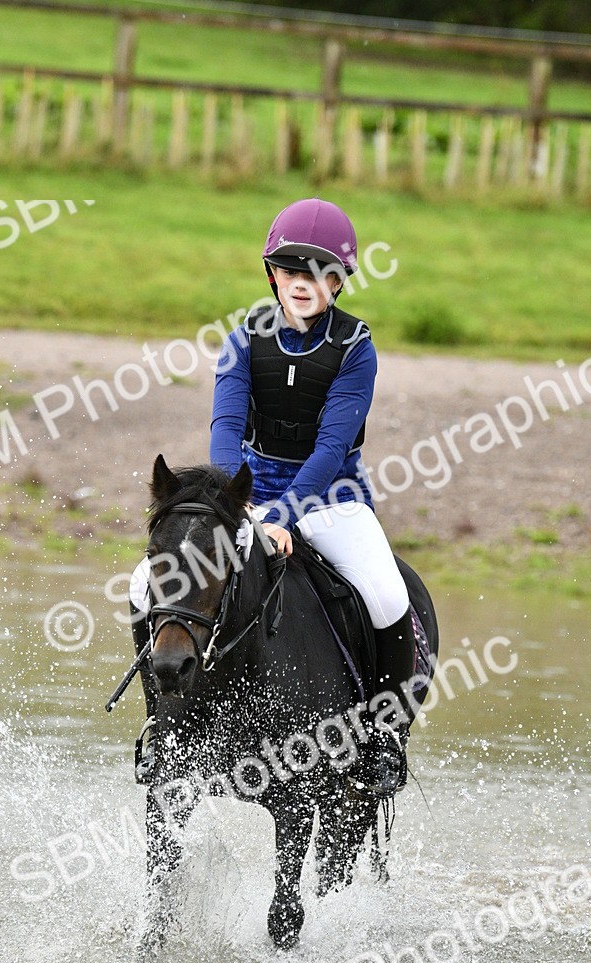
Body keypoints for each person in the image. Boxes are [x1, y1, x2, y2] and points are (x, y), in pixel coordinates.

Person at [210, 197, 416, 796]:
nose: (304, 283)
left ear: (340, 280)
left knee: (386, 596)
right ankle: (164, 726)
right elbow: (225, 428)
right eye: (292, 270)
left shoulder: (356, 347)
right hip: (248, 494)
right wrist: (234, 502)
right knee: (150, 583)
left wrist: (284, 516)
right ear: (272, 274)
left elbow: (330, 449)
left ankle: (383, 739)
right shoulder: (242, 340)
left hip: (334, 497)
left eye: (320, 272)